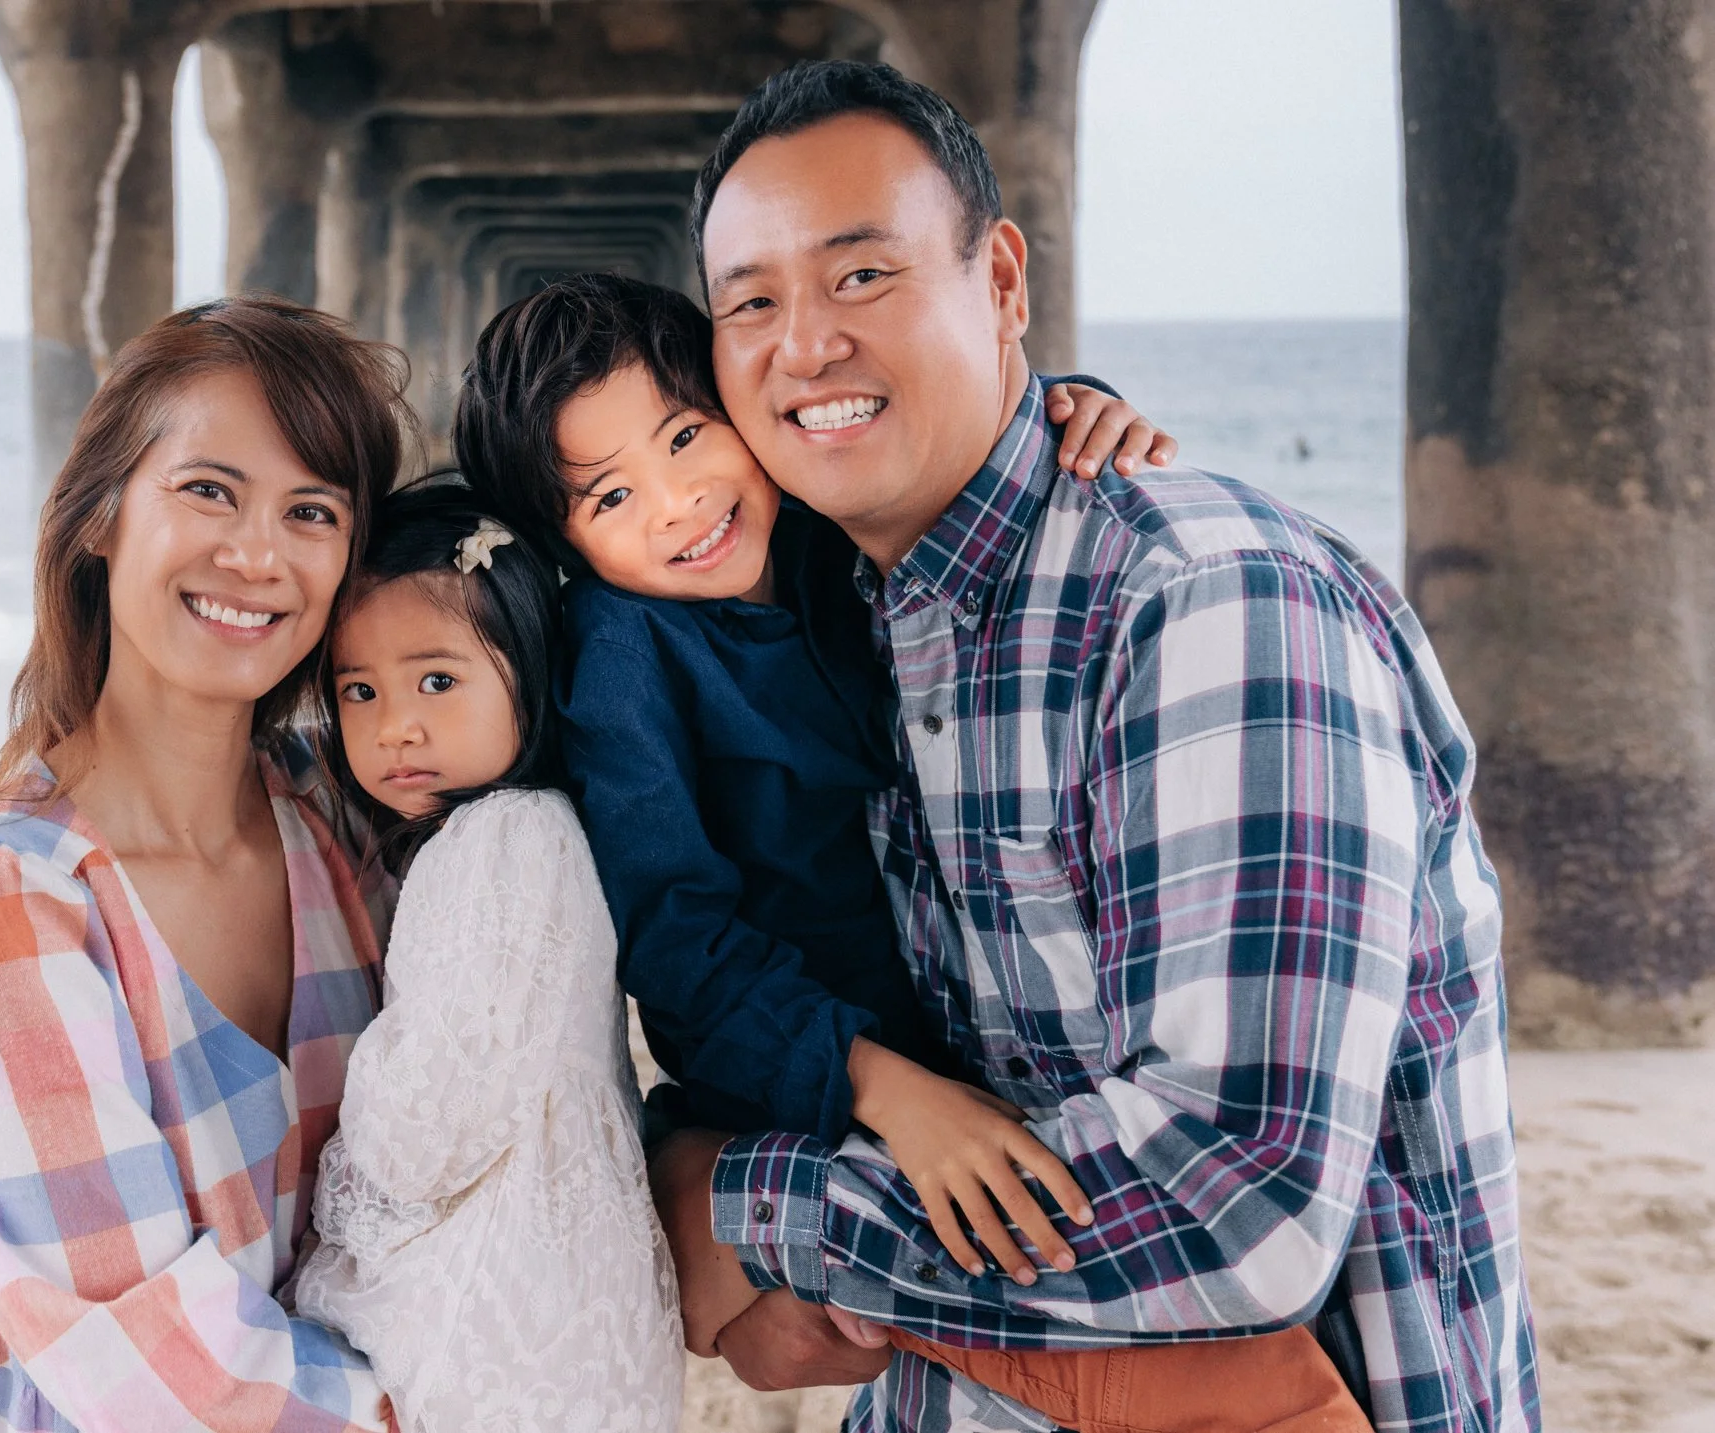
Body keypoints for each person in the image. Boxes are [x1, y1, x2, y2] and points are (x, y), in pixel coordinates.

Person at [652, 59, 1540, 1433]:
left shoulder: (1212, 606)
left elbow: (1231, 1201)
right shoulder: (843, 622)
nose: (802, 342)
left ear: (1000, 283)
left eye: (860, 276)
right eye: (748, 302)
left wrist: (741, 1210)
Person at [453, 273, 1368, 1433]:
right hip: (805, 1077)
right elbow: (679, 940)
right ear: (565, 546)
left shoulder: (826, 539)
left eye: (687, 437)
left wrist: (1071, 410)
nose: (678, 504)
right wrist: (889, 1094)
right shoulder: (622, 655)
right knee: (1144, 1352)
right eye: (610, 496)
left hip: (961, 1037)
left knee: (1021, 1316)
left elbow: (943, 461)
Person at [0, 296, 405, 1433]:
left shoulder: (345, 825)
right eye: (207, 489)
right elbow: (140, 1348)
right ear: (101, 516)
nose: (256, 554)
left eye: (310, 510)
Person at [294, 484, 685, 1432]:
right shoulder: (539, 830)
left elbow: (421, 1128)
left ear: (527, 668)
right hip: (566, 1309)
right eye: (359, 690)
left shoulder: (499, 841)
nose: (396, 727)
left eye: (437, 680)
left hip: (496, 1319)